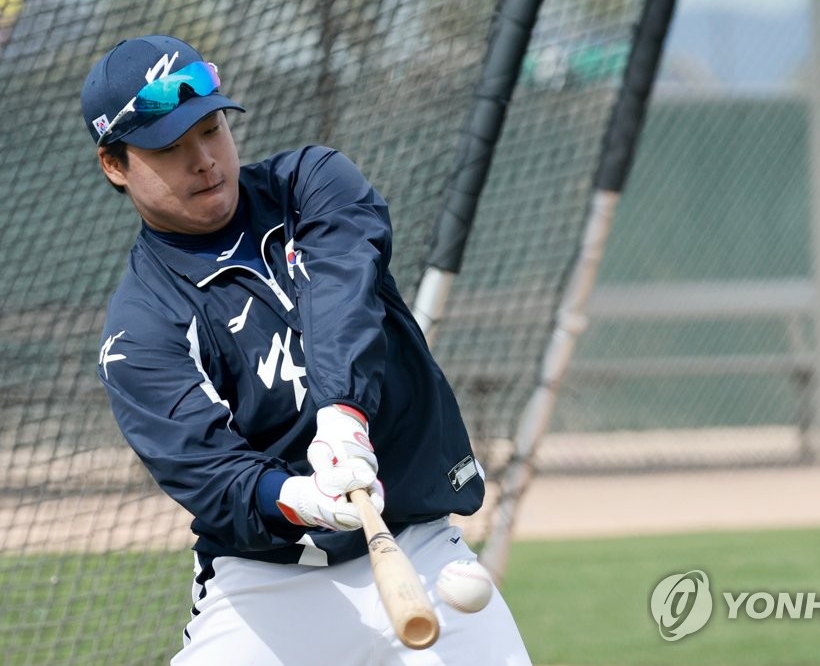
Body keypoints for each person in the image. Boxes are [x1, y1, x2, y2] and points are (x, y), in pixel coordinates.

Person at [82, 34, 531, 665]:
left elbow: (342, 296)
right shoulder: (141, 329)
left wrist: (342, 417)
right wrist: (299, 500)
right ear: (115, 165)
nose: (205, 159)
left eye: (211, 130)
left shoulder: (312, 185)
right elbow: (207, 472)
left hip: (416, 547)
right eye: (170, 149)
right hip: (266, 585)